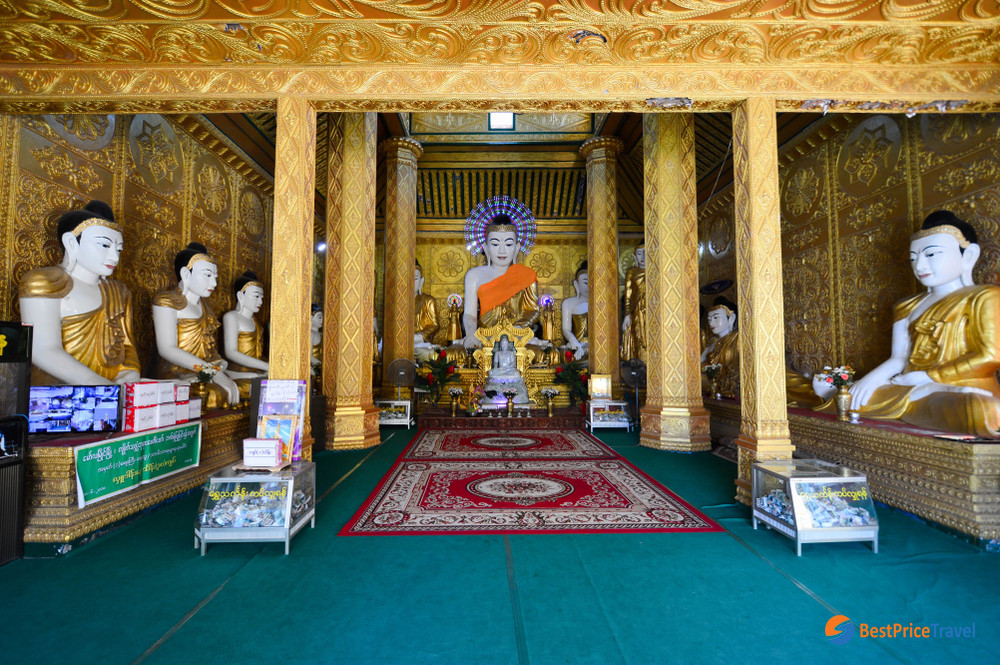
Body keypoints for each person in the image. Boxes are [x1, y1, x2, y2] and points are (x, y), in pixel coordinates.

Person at [845, 211, 1000, 437]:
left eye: (931, 254)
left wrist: (928, 377)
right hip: (909, 387)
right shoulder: (907, 306)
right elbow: (899, 358)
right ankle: (922, 394)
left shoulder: (984, 297)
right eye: (914, 258)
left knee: (977, 409)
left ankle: (930, 391)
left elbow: (991, 356)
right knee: (848, 400)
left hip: (964, 387)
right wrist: (869, 381)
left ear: (968, 256)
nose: (919, 265)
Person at [19, 200, 141, 385]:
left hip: (113, 390)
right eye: (104, 245)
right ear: (71, 242)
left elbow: (127, 346)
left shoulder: (119, 292)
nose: (114, 257)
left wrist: (129, 374)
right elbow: (42, 350)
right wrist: (100, 386)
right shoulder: (45, 282)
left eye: (119, 249)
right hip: (58, 396)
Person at [152, 242, 241, 407]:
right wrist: (209, 371)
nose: (214, 283)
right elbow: (167, 349)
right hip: (175, 374)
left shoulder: (206, 309)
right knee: (213, 395)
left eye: (215, 277)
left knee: (229, 391)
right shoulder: (166, 301)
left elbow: (209, 351)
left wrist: (217, 367)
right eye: (207, 275)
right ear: (186, 273)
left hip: (202, 373)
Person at [222, 271, 268, 374]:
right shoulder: (232, 317)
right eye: (256, 296)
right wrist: (266, 366)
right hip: (236, 373)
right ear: (240, 296)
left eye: (261, 298)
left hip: (255, 372)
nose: (260, 302)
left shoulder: (256, 322)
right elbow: (231, 352)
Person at [700, 296, 739, 397]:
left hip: (730, 383)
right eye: (709, 319)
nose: (711, 322)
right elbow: (700, 363)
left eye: (716, 318)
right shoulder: (712, 341)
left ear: (731, 318)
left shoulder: (737, 339)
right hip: (711, 384)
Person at [483, 335, 530, 403]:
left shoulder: (511, 353)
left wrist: (507, 368)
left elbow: (513, 364)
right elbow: (495, 364)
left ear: (507, 344)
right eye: (502, 344)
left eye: (505, 343)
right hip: (500, 370)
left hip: (509, 370)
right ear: (500, 345)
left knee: (516, 373)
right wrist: (498, 369)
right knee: (491, 372)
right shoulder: (498, 353)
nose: (504, 345)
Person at [621, 245, 646, 363]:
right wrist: (627, 314)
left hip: (654, 310)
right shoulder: (632, 272)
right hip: (637, 311)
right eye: (640, 253)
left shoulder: (657, 271)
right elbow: (628, 294)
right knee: (639, 338)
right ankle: (642, 369)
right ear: (635, 256)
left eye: (646, 252)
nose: (644, 257)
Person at [561, 261, 589, 360]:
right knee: (564, 353)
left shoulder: (602, 304)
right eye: (586, 282)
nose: (589, 286)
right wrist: (573, 342)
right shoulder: (569, 303)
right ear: (576, 284)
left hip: (595, 348)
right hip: (577, 345)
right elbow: (566, 329)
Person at [414, 261, 439, 362]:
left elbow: (434, 325)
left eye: (415, 279)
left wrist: (420, 336)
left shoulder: (428, 301)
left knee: (431, 355)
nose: (411, 282)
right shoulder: (397, 301)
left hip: (419, 343)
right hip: (400, 344)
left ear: (421, 281)